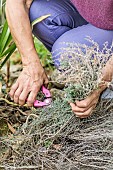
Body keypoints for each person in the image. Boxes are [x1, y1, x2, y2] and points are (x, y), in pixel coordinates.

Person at [6, 0, 113, 118]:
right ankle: (85, 84)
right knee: (39, 13)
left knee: (66, 53)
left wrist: (101, 83)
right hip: (95, 15)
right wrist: (30, 65)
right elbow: (15, 3)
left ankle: (103, 89)